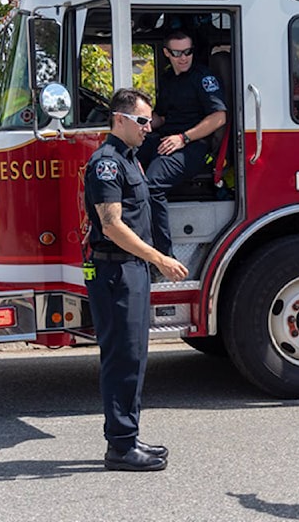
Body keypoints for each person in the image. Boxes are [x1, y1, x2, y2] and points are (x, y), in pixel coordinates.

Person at [84, 88, 189, 471]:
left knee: (135, 358)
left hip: (130, 269)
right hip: (115, 270)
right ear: (120, 119)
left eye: (150, 120)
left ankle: (128, 435)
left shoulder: (130, 160)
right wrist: (159, 258)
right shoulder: (107, 164)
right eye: (143, 121)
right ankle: (121, 448)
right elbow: (112, 225)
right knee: (122, 359)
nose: (149, 127)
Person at [138, 30, 227, 259]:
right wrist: (140, 123)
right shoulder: (168, 78)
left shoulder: (203, 77)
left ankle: (162, 256)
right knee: (125, 159)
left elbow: (219, 117)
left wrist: (183, 138)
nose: (184, 57)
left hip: (193, 145)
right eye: (177, 53)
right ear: (167, 53)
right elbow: (163, 117)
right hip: (167, 138)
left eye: (188, 52)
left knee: (152, 185)